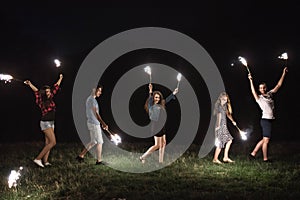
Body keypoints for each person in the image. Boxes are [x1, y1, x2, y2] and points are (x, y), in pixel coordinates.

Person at [248, 67, 288, 162]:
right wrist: (251, 80)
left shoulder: (270, 94)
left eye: (264, 87)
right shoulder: (259, 98)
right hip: (265, 120)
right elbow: (253, 91)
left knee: (264, 139)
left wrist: (284, 73)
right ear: (259, 89)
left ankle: (252, 154)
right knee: (266, 140)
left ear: (266, 88)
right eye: (260, 88)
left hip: (270, 120)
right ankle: (265, 159)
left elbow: (278, 85)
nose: (262, 89)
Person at [24, 74, 63, 168]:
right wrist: (30, 84)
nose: (48, 93)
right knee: (53, 142)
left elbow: (56, 87)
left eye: (49, 91)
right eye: (46, 92)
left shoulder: (51, 96)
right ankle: (38, 159)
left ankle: (45, 162)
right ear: (44, 93)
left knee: (48, 143)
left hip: (51, 122)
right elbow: (36, 91)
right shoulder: (41, 100)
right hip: (45, 123)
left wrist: (60, 78)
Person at [139, 83, 178, 163]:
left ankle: (161, 161)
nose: (157, 99)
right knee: (157, 145)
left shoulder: (161, 104)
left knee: (163, 143)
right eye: (156, 97)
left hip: (162, 126)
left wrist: (174, 93)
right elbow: (150, 99)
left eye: (158, 97)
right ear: (153, 98)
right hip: (156, 127)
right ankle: (143, 157)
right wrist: (150, 90)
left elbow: (167, 100)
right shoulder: (151, 105)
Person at [76, 85, 109, 165]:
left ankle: (80, 156)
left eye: (101, 91)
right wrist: (103, 123)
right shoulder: (92, 100)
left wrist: (100, 123)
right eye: (99, 91)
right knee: (100, 142)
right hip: (94, 124)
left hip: (93, 123)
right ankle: (99, 161)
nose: (100, 93)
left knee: (93, 141)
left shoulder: (91, 99)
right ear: (94, 90)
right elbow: (96, 114)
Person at [212, 92, 237, 164]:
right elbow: (218, 117)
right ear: (220, 99)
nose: (224, 101)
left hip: (224, 126)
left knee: (229, 140)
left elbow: (228, 114)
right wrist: (218, 127)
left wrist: (233, 121)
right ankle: (215, 159)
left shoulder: (224, 106)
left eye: (226, 100)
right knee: (220, 143)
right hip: (220, 126)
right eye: (223, 99)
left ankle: (225, 157)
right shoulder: (218, 106)